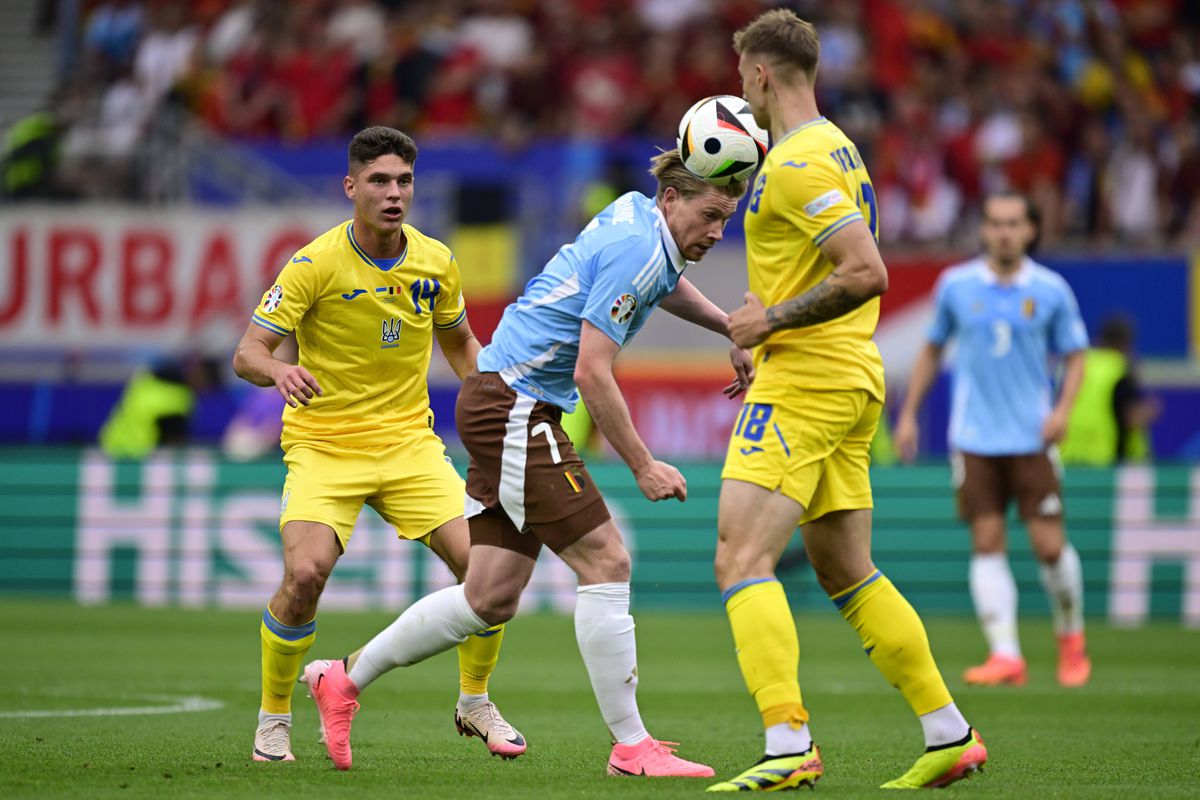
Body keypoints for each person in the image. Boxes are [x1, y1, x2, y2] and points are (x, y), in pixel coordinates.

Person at [300, 147, 755, 779]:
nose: (718, 232)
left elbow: (662, 281)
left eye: (726, 219)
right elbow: (591, 372)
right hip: (515, 405)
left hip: (497, 396)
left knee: (489, 597)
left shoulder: (637, 216)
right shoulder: (639, 249)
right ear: (673, 199)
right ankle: (631, 747)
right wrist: (643, 464)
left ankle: (342, 678)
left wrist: (730, 327)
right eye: (710, 215)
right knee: (607, 561)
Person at [709, 10, 987, 792]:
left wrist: (770, 323)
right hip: (844, 374)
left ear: (761, 73)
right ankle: (948, 731)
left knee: (740, 558)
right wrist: (764, 329)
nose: (741, 89)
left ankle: (787, 742)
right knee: (844, 568)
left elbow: (866, 272)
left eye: (742, 76)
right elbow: (816, 267)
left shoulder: (796, 161)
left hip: (810, 381)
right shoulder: (838, 146)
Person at [232, 126, 520, 768]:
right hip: (325, 445)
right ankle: (274, 718)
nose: (394, 193)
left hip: (409, 444)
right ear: (351, 187)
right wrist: (278, 370)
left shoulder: (436, 262)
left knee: (487, 572)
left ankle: (475, 701)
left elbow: (459, 344)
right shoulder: (313, 264)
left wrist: (496, 392)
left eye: (405, 181)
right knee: (304, 576)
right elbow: (247, 352)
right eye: (380, 181)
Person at [895, 190, 1091, 691]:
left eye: (1013, 223)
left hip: (1031, 436)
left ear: (1030, 230)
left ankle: (1071, 637)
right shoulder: (956, 285)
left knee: (1049, 546)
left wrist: (1062, 411)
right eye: (996, 223)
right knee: (986, 541)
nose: (1004, 232)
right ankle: (1006, 654)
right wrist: (910, 415)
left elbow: (1076, 355)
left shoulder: (1050, 290)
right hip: (975, 438)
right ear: (984, 229)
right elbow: (931, 351)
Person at [1061, 314, 1158, 465]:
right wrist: (1148, 411)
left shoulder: (1074, 366)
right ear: (1126, 344)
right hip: (1105, 464)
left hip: (1067, 458)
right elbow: (1131, 417)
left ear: (1099, 340)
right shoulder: (1119, 369)